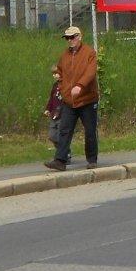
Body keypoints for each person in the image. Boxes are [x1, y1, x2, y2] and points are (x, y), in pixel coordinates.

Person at [45, 25, 98, 170]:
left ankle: (92, 159)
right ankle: (60, 160)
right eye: (67, 38)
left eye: (72, 37)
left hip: (87, 99)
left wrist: (80, 86)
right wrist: (63, 89)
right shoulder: (65, 55)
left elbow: (90, 72)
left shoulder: (89, 53)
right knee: (64, 129)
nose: (70, 40)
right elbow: (59, 72)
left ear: (79, 37)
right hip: (69, 100)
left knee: (90, 130)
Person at [43, 67, 71, 164]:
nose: (54, 76)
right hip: (54, 114)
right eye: (53, 74)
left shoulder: (67, 85)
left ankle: (65, 154)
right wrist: (48, 109)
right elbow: (51, 99)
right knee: (52, 135)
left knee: (61, 135)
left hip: (63, 114)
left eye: (56, 73)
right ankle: (62, 151)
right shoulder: (55, 85)